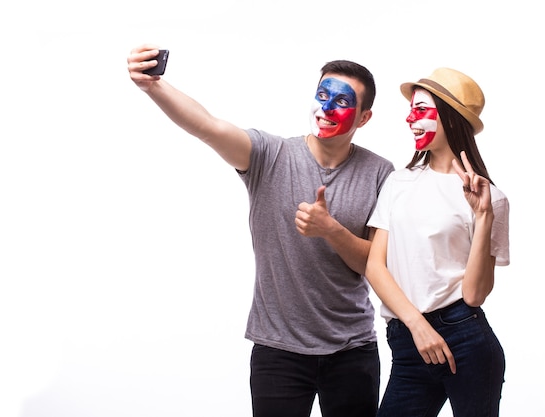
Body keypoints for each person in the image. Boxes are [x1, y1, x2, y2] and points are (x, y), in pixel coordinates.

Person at [127, 44, 395, 417]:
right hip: (278, 352)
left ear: (364, 118)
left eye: (342, 102)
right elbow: (207, 126)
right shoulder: (270, 156)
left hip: (352, 351)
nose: (328, 107)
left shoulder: (381, 173)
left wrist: (331, 229)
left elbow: (376, 265)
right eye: (322, 95)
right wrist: (153, 86)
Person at [364, 68, 509, 417]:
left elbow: (474, 295)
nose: (409, 119)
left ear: (451, 117)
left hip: (465, 341)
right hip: (408, 339)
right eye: (411, 110)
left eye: (421, 110)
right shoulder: (399, 182)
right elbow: (374, 265)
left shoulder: (493, 200)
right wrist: (417, 326)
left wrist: (483, 216)